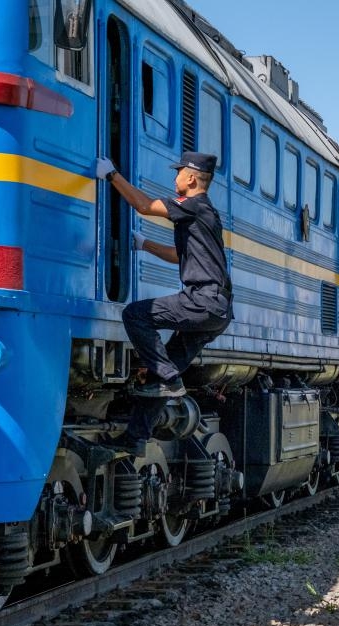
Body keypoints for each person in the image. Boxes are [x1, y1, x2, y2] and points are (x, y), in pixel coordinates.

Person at [95, 152, 232, 456]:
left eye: (179, 173)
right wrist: (145, 245)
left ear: (192, 178)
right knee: (157, 377)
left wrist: (111, 175)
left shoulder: (192, 205)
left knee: (135, 315)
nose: (175, 178)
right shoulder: (203, 213)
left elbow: (143, 206)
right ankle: (134, 439)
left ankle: (170, 379)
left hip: (203, 300)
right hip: (218, 309)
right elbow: (178, 256)